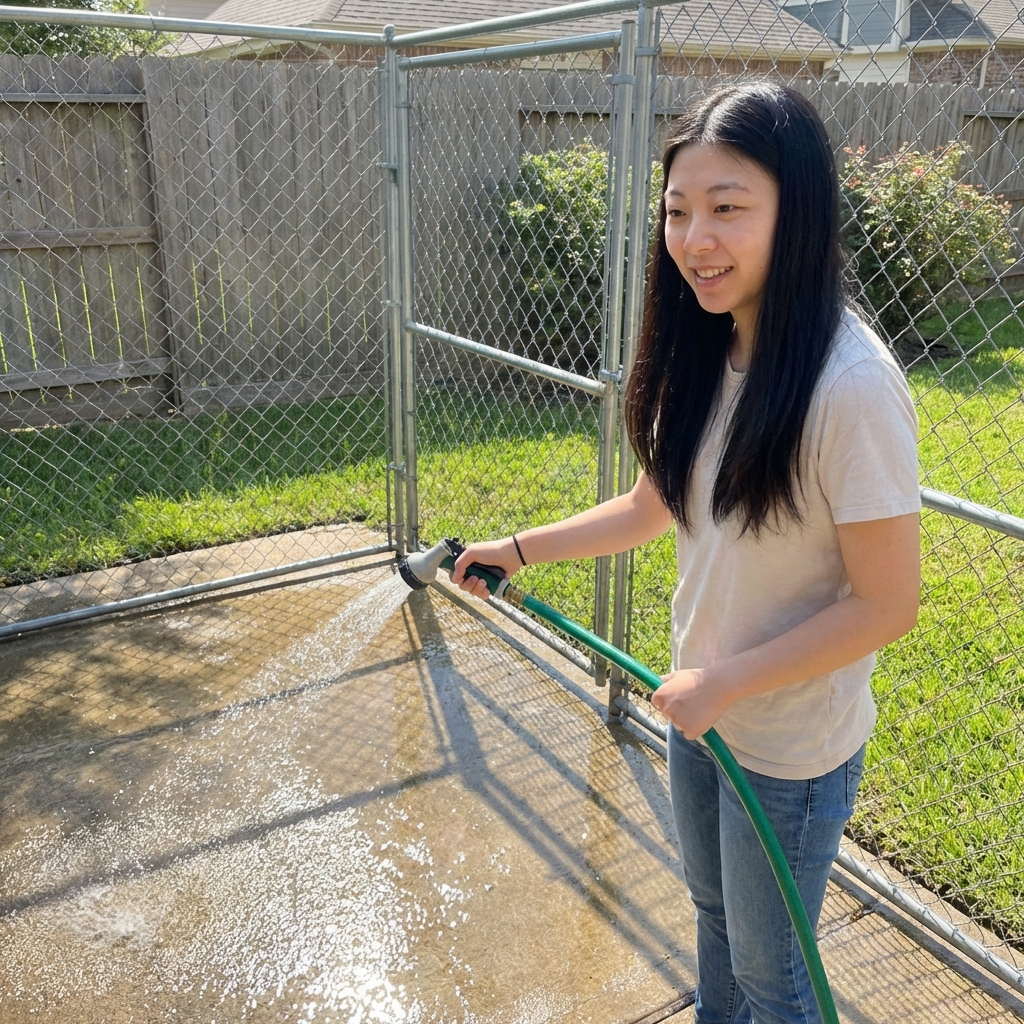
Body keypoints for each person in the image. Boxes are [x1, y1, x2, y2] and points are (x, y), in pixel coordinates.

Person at [452, 82, 921, 1024]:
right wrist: (516, 550)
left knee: (770, 974)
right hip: (701, 711)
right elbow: (652, 504)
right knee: (712, 920)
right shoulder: (709, 351)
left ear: (799, 211)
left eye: (728, 209)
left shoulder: (852, 386)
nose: (694, 237)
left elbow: (887, 605)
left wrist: (726, 686)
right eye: (677, 210)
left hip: (785, 746)